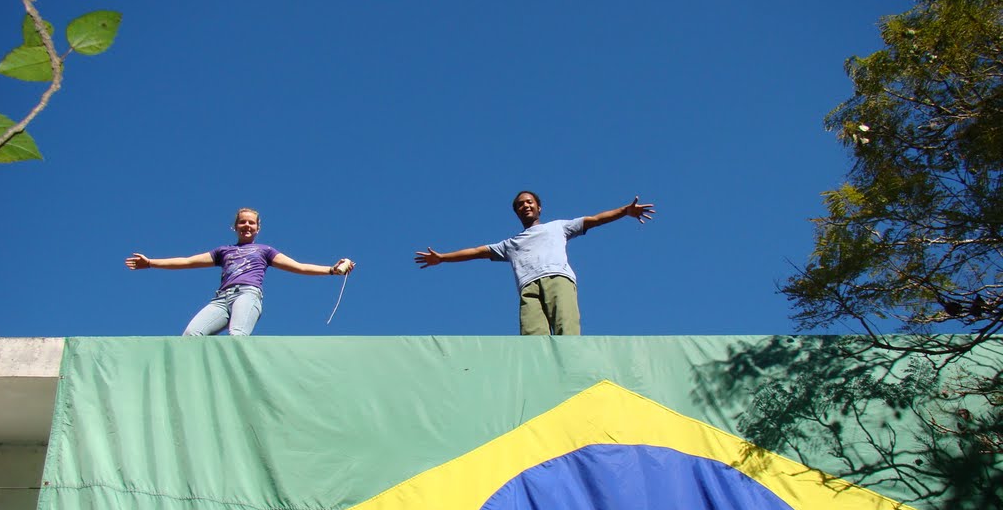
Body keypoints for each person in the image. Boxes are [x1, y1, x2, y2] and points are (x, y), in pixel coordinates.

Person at [414, 191, 653, 335]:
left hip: (557, 279)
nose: (525, 205)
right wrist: (442, 258)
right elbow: (477, 251)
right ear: (517, 212)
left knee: (566, 329)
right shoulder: (510, 244)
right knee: (532, 336)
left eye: (529, 202)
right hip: (528, 288)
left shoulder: (557, 227)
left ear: (538, 207)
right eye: (520, 204)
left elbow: (594, 220)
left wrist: (625, 211)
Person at [126, 207, 355, 336]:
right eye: (242, 222)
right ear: (235, 227)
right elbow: (187, 261)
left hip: (247, 294)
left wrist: (332, 270)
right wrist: (151, 262)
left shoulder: (265, 250)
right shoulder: (223, 251)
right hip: (221, 299)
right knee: (191, 336)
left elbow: (299, 266)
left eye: (251, 223)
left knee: (237, 336)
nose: (247, 226)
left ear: (258, 228)